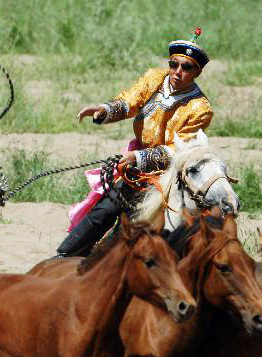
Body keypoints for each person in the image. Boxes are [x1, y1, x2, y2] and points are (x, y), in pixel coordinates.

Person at [56, 28, 214, 257]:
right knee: (105, 208)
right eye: (174, 64)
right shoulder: (154, 78)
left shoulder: (200, 108)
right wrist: (104, 109)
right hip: (134, 167)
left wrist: (139, 158)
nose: (177, 72)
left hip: (168, 176)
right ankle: (64, 256)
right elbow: (130, 101)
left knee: (132, 225)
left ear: (197, 72)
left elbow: (180, 150)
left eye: (186, 67)